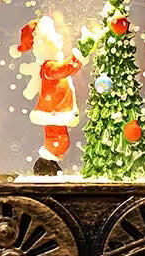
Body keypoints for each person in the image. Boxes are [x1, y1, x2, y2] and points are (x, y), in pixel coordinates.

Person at [9, 16, 93, 176]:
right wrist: (81, 53)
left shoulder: (48, 64)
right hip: (55, 110)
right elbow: (66, 68)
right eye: (54, 38)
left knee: (59, 139)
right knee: (59, 140)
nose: (59, 39)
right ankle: (47, 164)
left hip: (56, 109)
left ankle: (49, 163)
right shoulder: (49, 67)